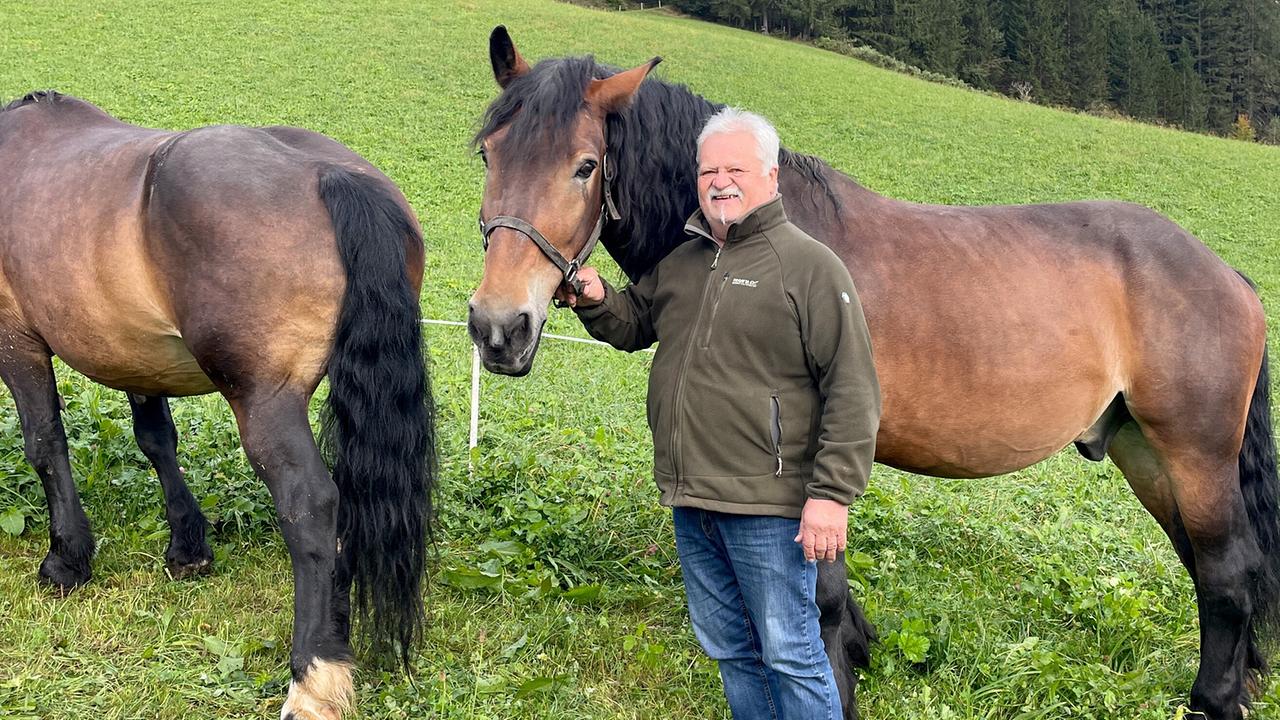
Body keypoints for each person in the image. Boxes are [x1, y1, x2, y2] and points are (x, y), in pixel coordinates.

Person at [557, 107, 881, 719]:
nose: (720, 182)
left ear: (771, 176)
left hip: (770, 507)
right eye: (708, 170)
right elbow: (634, 324)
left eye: (736, 168)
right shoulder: (684, 262)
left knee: (791, 651)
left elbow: (853, 390)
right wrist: (598, 299)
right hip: (692, 499)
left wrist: (832, 496)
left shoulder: (809, 267)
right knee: (732, 649)